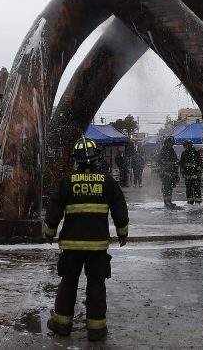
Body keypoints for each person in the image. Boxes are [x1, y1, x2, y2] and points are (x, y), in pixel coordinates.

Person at [44, 135, 129, 342]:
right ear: (97, 158)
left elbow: (54, 208)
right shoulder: (107, 182)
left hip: (72, 246)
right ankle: (96, 329)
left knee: (68, 282)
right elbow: (119, 207)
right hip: (97, 246)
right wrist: (122, 232)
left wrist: (50, 232)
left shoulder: (67, 181)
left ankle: (62, 324)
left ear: (77, 160)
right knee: (96, 284)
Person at [157, 136, 180, 207]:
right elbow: (159, 160)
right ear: (167, 143)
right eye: (171, 143)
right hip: (165, 172)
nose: (172, 144)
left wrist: (176, 162)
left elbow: (175, 159)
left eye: (172, 143)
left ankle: (169, 201)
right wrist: (166, 163)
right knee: (166, 187)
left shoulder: (171, 150)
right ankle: (166, 201)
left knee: (170, 187)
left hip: (171, 172)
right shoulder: (163, 150)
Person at [179, 139, 203, 205]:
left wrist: (198, 171)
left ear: (189, 145)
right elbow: (182, 164)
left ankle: (198, 202)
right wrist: (182, 172)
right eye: (184, 145)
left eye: (185, 145)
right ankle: (190, 202)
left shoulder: (196, 153)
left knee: (197, 189)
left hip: (195, 175)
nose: (184, 146)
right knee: (189, 190)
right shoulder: (184, 153)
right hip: (187, 175)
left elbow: (199, 163)